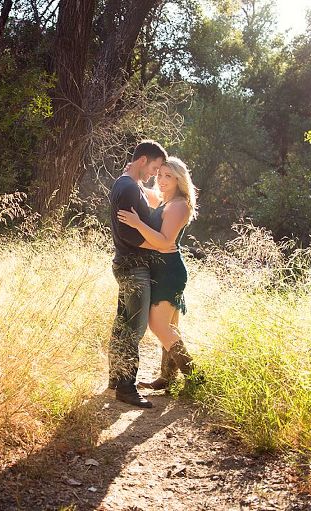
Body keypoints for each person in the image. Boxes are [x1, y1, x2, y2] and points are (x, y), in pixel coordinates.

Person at [116, 156, 201, 386]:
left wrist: (137, 224)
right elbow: (143, 190)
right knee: (170, 326)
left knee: (159, 325)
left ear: (179, 180)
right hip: (160, 269)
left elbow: (164, 242)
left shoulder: (179, 205)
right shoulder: (165, 200)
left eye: (168, 176)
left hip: (168, 272)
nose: (161, 180)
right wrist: (134, 173)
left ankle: (196, 378)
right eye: (160, 174)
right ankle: (167, 378)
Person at [107, 140, 168, 408]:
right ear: (143, 160)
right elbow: (127, 232)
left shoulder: (127, 183)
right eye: (154, 168)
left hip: (126, 263)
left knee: (123, 325)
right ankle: (127, 388)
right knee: (134, 328)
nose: (154, 174)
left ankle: (116, 378)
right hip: (134, 267)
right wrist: (157, 243)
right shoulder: (129, 187)